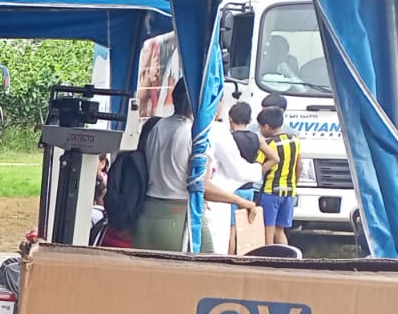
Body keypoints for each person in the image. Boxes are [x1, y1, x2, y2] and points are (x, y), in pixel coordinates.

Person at [128, 80, 256, 253]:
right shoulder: (197, 135)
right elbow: (203, 185)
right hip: (180, 220)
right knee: (205, 268)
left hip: (146, 216)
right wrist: (241, 201)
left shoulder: (156, 126)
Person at [207, 105, 265, 253]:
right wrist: (259, 169)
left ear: (230, 118)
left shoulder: (163, 127)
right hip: (227, 195)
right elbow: (238, 171)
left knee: (232, 231)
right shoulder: (219, 131)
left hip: (164, 205)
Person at [257, 105, 301, 246]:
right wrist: (294, 183)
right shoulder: (295, 140)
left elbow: (259, 167)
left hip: (271, 191)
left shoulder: (268, 144)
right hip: (290, 191)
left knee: (268, 230)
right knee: (280, 230)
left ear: (266, 126)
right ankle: (286, 256)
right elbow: (299, 166)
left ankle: (268, 257)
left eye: (260, 127)